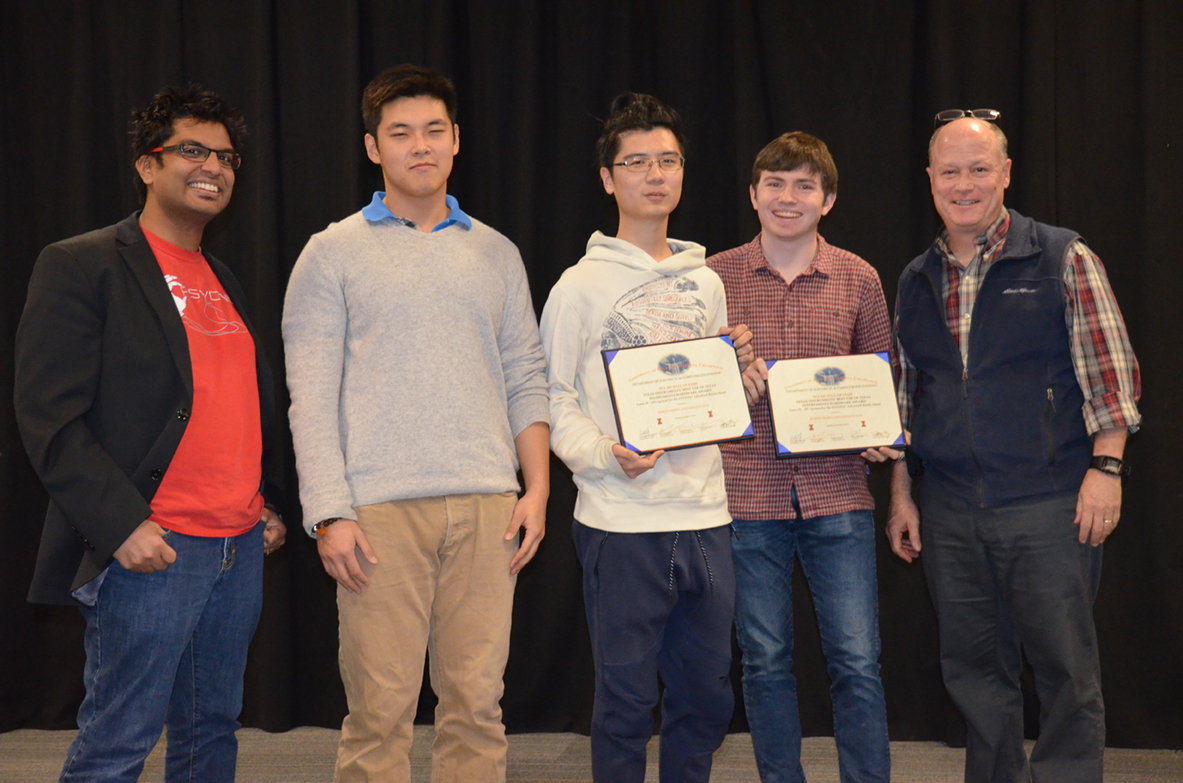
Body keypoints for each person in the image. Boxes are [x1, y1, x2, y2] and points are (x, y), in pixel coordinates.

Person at [282, 64, 549, 783]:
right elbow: (309, 394)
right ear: (374, 147)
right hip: (376, 513)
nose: (419, 146)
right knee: (379, 712)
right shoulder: (330, 252)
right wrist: (328, 513)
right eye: (400, 134)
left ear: (456, 140)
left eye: (434, 130)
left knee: (476, 705)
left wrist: (537, 490)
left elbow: (526, 375)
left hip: (488, 506)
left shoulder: (496, 252)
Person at [14, 85, 286, 783]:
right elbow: (50, 416)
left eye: (226, 156)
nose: (214, 167)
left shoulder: (221, 277)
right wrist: (122, 524)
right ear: (147, 164)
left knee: (210, 733)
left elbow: (228, 403)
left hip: (235, 547)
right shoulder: (82, 263)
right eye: (192, 150)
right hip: (152, 550)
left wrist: (259, 502)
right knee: (119, 743)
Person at [888, 110, 1141, 783]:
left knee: (1064, 670)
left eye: (977, 169)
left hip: (1047, 503)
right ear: (929, 180)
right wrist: (902, 495)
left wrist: (1105, 468)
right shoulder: (915, 278)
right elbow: (905, 402)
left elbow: (1110, 378)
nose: (963, 184)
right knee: (972, 671)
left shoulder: (1062, 257)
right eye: (949, 171)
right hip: (947, 509)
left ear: (1004, 173)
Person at [540, 92, 752, 783]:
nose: (654, 175)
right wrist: (605, 455)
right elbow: (553, 398)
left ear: (683, 172)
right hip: (619, 518)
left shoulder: (707, 281)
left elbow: (713, 403)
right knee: (626, 699)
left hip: (705, 515)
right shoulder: (577, 287)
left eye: (667, 161)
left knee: (706, 695)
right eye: (636, 162)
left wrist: (738, 379)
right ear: (608, 178)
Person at [708, 132, 892, 783]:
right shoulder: (711, 277)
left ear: (828, 199)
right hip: (745, 499)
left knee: (857, 661)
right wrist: (732, 387)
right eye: (776, 183)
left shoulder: (858, 276)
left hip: (838, 495)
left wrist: (882, 431)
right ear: (754, 194)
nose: (789, 197)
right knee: (763, 659)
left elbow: (883, 381)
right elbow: (688, 395)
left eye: (804, 185)